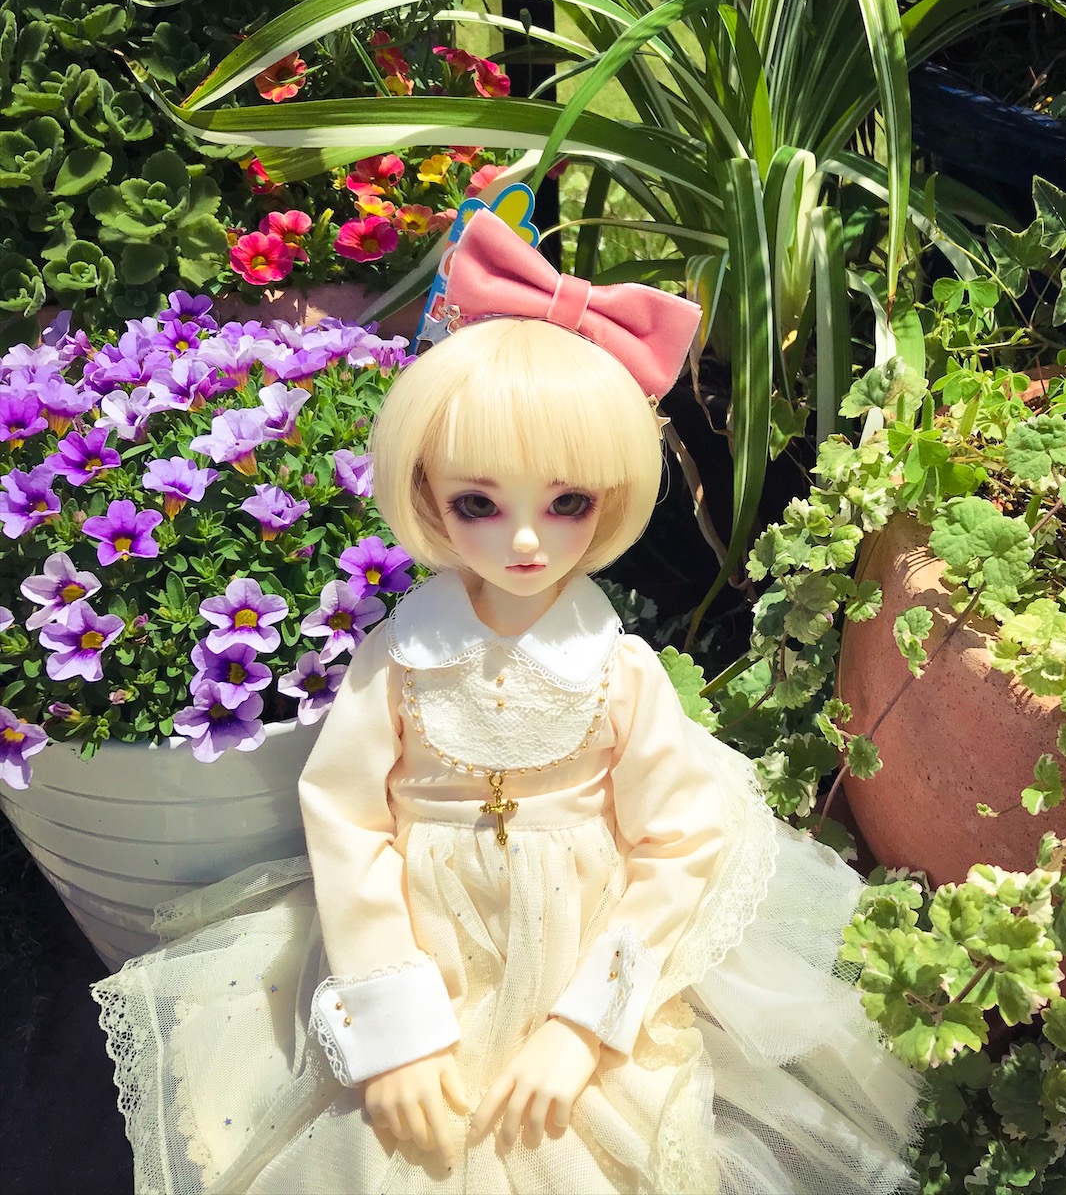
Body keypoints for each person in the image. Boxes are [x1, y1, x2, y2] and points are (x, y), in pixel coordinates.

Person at [93, 210, 919, 1195]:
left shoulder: (616, 674)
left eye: (567, 503)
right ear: (426, 495)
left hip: (582, 940)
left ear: (612, 496)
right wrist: (393, 1024)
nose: (525, 542)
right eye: (478, 504)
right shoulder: (400, 660)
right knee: (407, 1138)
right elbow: (349, 820)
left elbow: (676, 843)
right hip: (422, 939)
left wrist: (586, 1022)